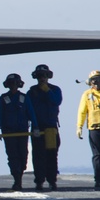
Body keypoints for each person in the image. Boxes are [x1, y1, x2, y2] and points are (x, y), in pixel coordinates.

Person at [0, 73, 39, 191]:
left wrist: (35, 127)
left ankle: (19, 176)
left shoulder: (24, 97)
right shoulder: (3, 98)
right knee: (12, 156)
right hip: (8, 132)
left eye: (15, 83)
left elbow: (31, 113)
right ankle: (17, 179)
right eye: (11, 83)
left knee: (23, 155)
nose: (13, 86)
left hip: (22, 131)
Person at [26, 63, 63, 191]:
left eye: (44, 75)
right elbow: (29, 111)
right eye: (40, 76)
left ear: (48, 76)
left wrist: (47, 90)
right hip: (37, 128)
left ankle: (52, 181)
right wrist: (34, 126)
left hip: (51, 128)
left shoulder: (55, 89)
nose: (42, 78)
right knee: (38, 156)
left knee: (52, 155)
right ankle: (39, 181)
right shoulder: (31, 92)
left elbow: (56, 101)